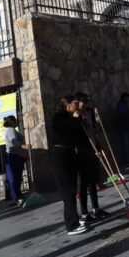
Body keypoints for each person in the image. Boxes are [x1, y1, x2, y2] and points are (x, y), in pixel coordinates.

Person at [50, 95, 89, 236]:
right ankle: (72, 225)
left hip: (71, 154)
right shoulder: (58, 117)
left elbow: (79, 136)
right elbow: (64, 132)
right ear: (67, 105)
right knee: (68, 191)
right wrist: (75, 120)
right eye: (75, 103)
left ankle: (75, 220)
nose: (77, 105)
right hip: (61, 155)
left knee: (72, 188)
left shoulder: (72, 117)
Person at [73, 93, 109, 223]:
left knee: (93, 181)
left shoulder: (89, 112)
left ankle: (96, 210)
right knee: (83, 183)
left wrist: (97, 116)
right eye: (82, 102)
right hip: (81, 152)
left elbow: (95, 129)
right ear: (76, 102)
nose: (84, 105)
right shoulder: (73, 115)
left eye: (86, 102)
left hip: (93, 149)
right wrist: (77, 119)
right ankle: (84, 213)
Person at [3, 115, 29, 204]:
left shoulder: (12, 130)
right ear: (12, 121)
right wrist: (24, 146)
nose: (17, 122)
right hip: (14, 156)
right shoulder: (10, 130)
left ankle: (17, 194)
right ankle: (16, 196)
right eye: (16, 120)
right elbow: (13, 141)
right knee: (15, 176)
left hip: (17, 156)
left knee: (17, 176)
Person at [113, 92, 129, 165]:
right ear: (124, 98)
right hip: (124, 128)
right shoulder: (121, 105)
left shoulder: (124, 105)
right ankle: (126, 159)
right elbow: (123, 116)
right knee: (125, 144)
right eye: (127, 98)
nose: (128, 99)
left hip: (127, 127)